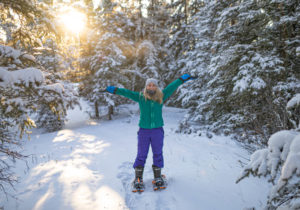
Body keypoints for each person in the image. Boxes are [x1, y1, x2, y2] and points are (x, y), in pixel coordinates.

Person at [106, 74, 195, 190]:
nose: (151, 87)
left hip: (157, 131)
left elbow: (172, 86)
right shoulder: (140, 97)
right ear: (146, 87)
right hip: (144, 131)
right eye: (149, 85)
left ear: (156, 87)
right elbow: (127, 92)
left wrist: (182, 79)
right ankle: (138, 178)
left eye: (153, 85)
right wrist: (115, 90)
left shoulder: (161, 95)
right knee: (141, 154)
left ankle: (158, 177)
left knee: (158, 153)